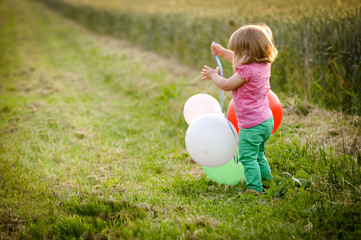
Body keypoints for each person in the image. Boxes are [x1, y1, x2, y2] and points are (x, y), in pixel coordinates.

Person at [201, 24, 278, 193]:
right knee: (258, 155)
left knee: (248, 157)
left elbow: (227, 85)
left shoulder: (245, 72)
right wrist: (222, 52)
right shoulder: (263, 65)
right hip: (266, 120)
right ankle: (268, 183)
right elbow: (239, 59)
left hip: (251, 125)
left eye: (237, 52)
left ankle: (254, 189)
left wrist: (214, 76)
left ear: (247, 53)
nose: (234, 55)